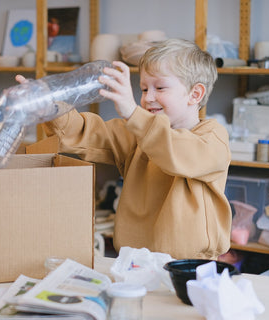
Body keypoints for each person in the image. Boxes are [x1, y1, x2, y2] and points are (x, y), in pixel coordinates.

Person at [17, 38, 232, 259]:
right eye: (144, 88)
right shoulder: (135, 133)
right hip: (134, 262)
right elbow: (84, 132)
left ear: (195, 94)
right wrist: (51, 109)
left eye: (160, 87)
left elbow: (177, 152)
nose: (148, 98)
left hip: (190, 267)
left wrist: (132, 113)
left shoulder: (212, 138)